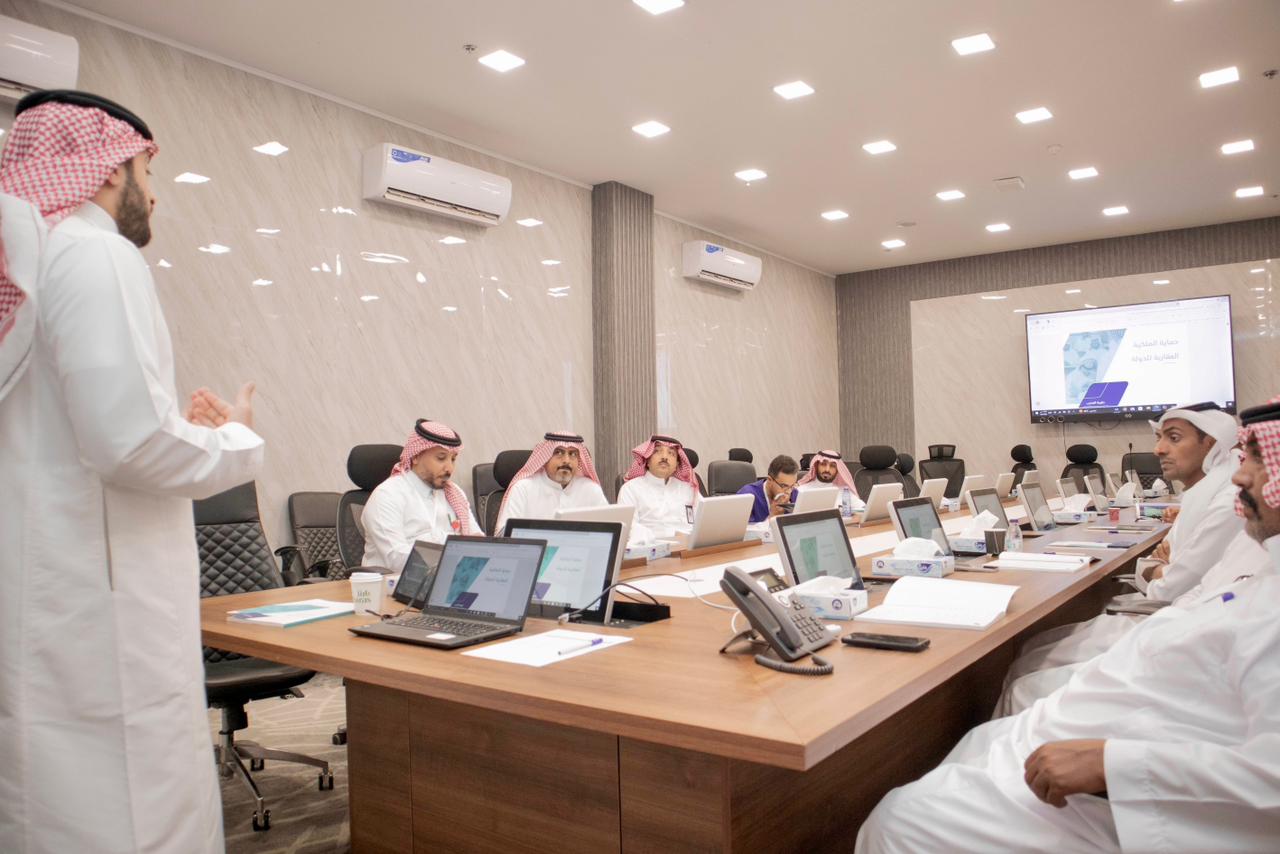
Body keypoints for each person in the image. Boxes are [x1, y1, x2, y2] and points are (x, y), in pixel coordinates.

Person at [0, 91, 265, 854]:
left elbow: (74, 435)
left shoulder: (31, 263)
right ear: (112, 167)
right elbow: (130, 446)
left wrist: (181, 431)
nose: (155, 196)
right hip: (102, 608)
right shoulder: (94, 252)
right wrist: (239, 440)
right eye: (149, 172)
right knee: (131, 806)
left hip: (50, 593)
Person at [856, 396, 1280, 854]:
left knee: (902, 820)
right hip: (1105, 729)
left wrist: (1112, 764)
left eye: (1257, 459)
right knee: (981, 737)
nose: (1239, 475)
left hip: (1130, 794)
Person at [996, 402, 1242, 696]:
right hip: (1170, 619)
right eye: (1159, 438)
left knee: (1025, 672)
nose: (1159, 450)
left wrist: (1158, 569)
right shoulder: (1204, 493)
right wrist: (1159, 568)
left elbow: (1167, 586)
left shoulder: (1227, 501)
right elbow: (1160, 568)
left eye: (1174, 438)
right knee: (1030, 649)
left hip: (1172, 629)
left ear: (1211, 444)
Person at [361, 419, 477, 570]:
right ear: (416, 456)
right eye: (441, 458)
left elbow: (476, 539)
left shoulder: (455, 493)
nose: (449, 468)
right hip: (394, 582)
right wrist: (456, 558)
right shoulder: (387, 496)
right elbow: (396, 558)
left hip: (450, 577)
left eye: (453, 459)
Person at [495, 430, 607, 531]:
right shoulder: (523, 489)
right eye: (558, 452)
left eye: (573, 454)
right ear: (545, 458)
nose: (566, 460)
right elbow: (505, 535)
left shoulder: (591, 489)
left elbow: (608, 530)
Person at [616, 434, 698, 534]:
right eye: (657, 451)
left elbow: (702, 522)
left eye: (671, 453)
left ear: (677, 465)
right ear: (647, 461)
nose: (664, 457)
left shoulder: (689, 489)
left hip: (688, 542)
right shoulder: (630, 489)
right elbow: (629, 529)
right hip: (650, 543)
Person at [795, 449, 862, 515]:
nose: (827, 470)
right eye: (823, 464)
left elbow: (862, 509)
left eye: (832, 466)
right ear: (816, 466)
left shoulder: (845, 492)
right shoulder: (801, 490)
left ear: (838, 470)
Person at [738, 454, 799, 523]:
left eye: (792, 486)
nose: (789, 491)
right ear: (770, 480)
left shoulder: (794, 493)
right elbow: (741, 528)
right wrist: (773, 516)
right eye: (784, 486)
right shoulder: (747, 495)